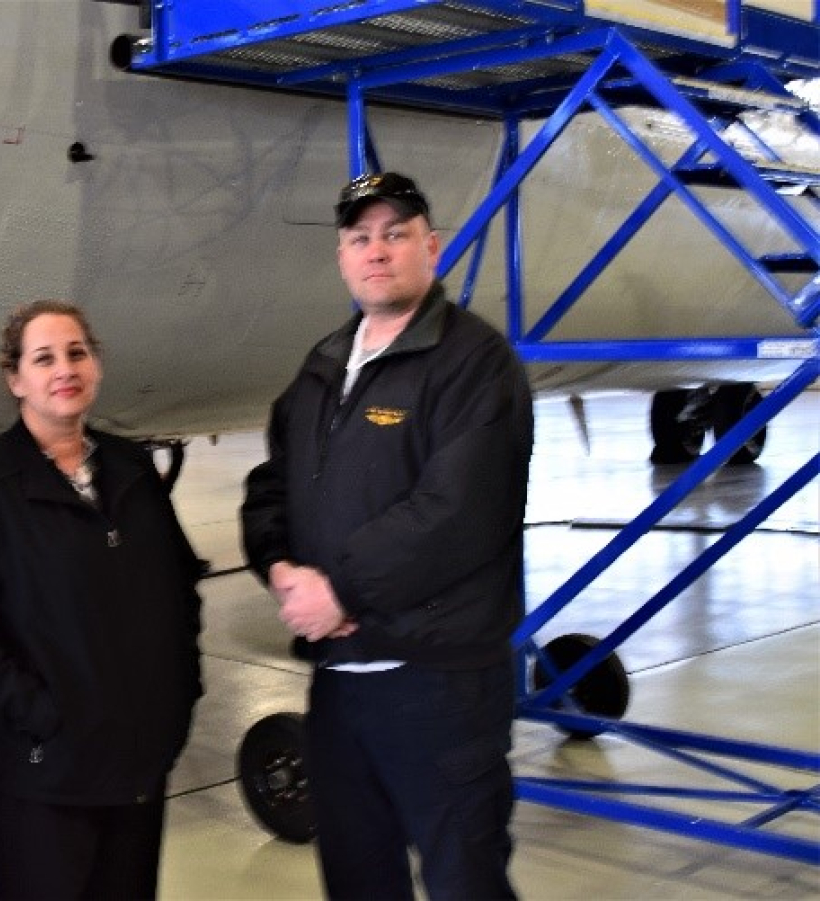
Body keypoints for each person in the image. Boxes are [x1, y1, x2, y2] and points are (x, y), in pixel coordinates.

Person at [241, 172, 533, 900]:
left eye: (396, 233)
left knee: (465, 879)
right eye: (360, 237)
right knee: (357, 877)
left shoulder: (474, 364)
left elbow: (456, 511)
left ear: (430, 248)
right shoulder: (325, 365)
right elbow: (272, 486)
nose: (378, 251)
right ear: (342, 256)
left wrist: (338, 589)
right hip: (341, 689)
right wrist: (281, 570)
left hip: (439, 684)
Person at [0, 300, 204, 900]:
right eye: (43, 358)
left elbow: (179, 590)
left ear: (96, 366)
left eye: (76, 353)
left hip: (133, 770)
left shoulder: (131, 472)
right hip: (42, 779)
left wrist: (178, 695)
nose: (64, 370)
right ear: (16, 378)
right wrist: (41, 714)